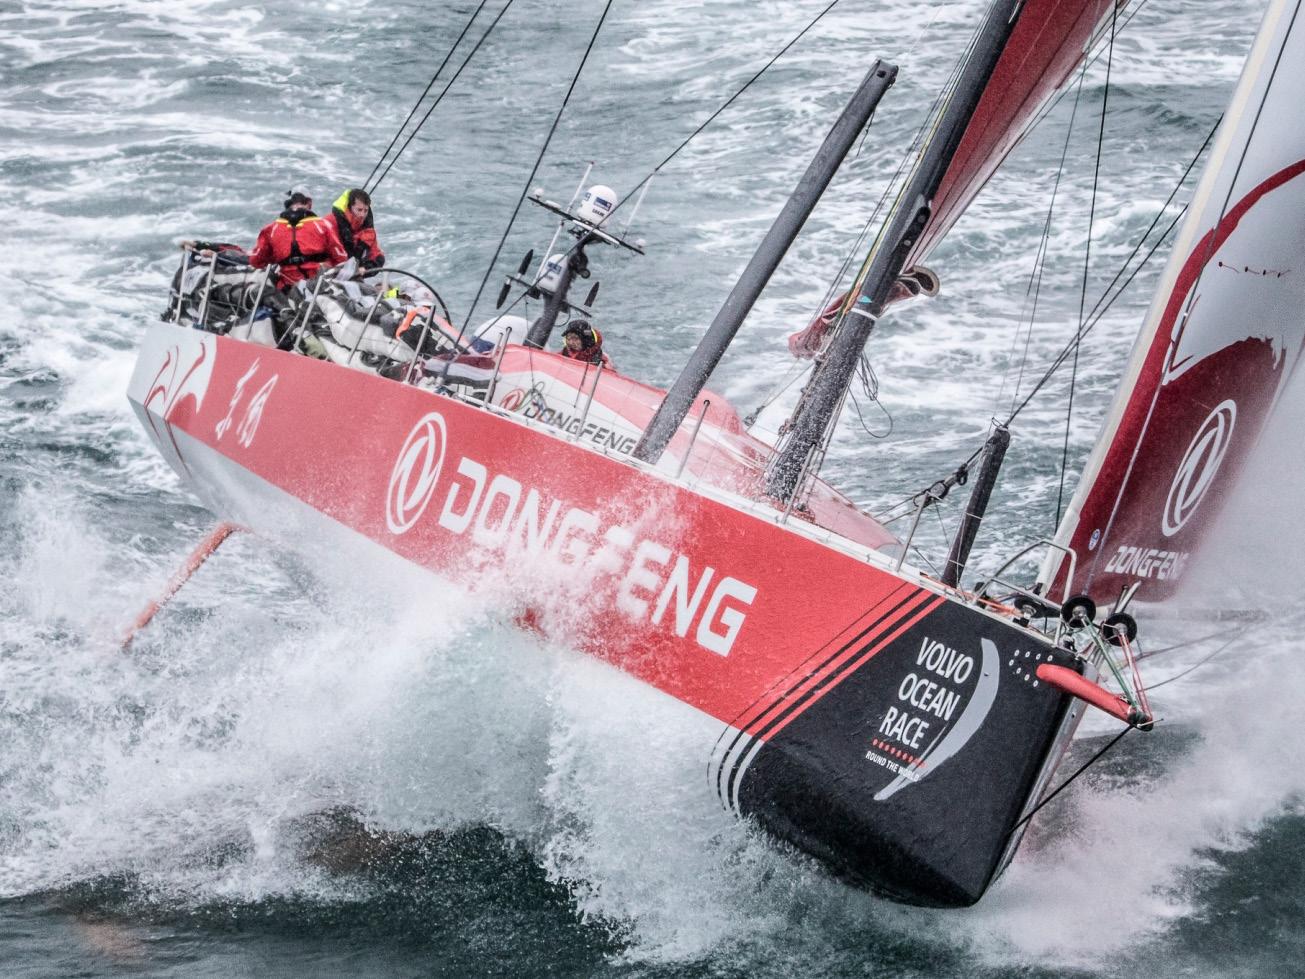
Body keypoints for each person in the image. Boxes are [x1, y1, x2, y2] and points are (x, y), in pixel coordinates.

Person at [248, 191, 348, 290]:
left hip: (286, 288)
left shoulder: (271, 229)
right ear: (309, 203)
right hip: (319, 287)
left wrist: (278, 257)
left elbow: (255, 261)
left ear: (287, 204)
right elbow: (341, 259)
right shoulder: (323, 225)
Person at [328, 188, 385, 269]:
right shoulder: (329, 223)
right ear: (350, 207)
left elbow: (377, 255)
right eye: (359, 210)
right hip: (329, 271)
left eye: (365, 211)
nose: (362, 215)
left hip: (354, 273)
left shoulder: (368, 231)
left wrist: (365, 268)